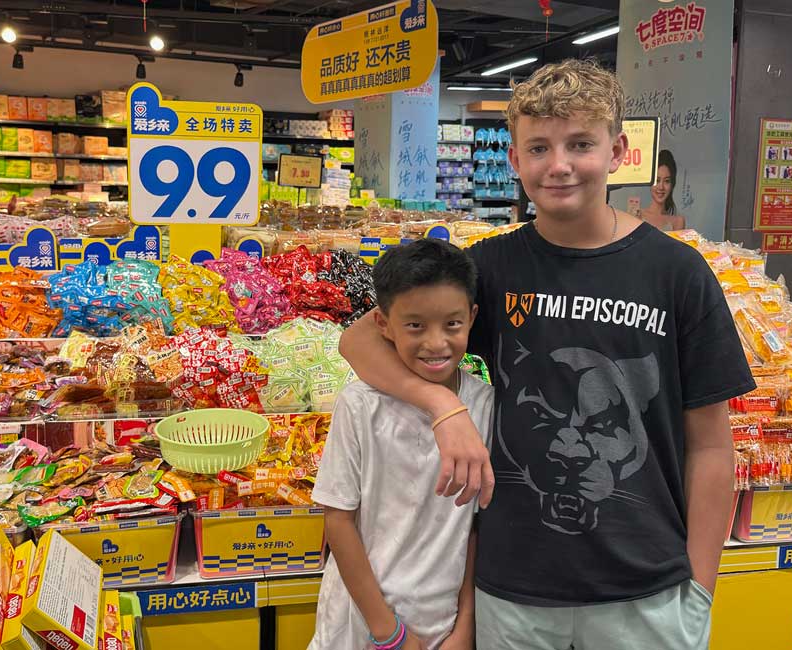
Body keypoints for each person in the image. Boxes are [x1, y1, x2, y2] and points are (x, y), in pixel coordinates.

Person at [338, 59, 755, 650]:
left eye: (580, 144)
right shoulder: (491, 267)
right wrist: (442, 404)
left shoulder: (677, 274)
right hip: (514, 589)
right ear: (514, 161)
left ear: (617, 151)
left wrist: (700, 588)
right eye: (539, 148)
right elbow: (359, 339)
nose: (558, 165)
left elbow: (711, 444)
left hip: (646, 590)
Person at [309, 238, 492, 650]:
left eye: (452, 324)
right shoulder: (359, 404)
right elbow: (338, 521)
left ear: (472, 317)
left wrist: (465, 624)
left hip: (442, 623)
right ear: (383, 324)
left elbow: (475, 525)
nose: (436, 343)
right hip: (359, 625)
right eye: (415, 326)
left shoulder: (483, 404)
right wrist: (389, 633)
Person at [640, 149, 686, 231]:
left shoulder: (678, 221)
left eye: (667, 181)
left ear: (672, 184)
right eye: (657, 180)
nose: (661, 187)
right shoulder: (637, 216)